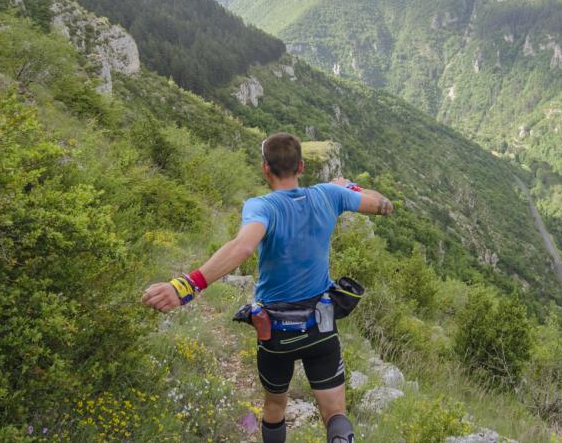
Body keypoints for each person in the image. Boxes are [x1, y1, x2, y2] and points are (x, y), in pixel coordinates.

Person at [142, 132, 393, 443]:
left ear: (265, 169)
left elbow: (243, 247)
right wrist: (348, 188)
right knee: (336, 414)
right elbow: (384, 206)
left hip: (276, 333)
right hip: (322, 325)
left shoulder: (262, 207)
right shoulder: (330, 194)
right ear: (301, 166)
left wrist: (186, 286)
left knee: (275, 404)